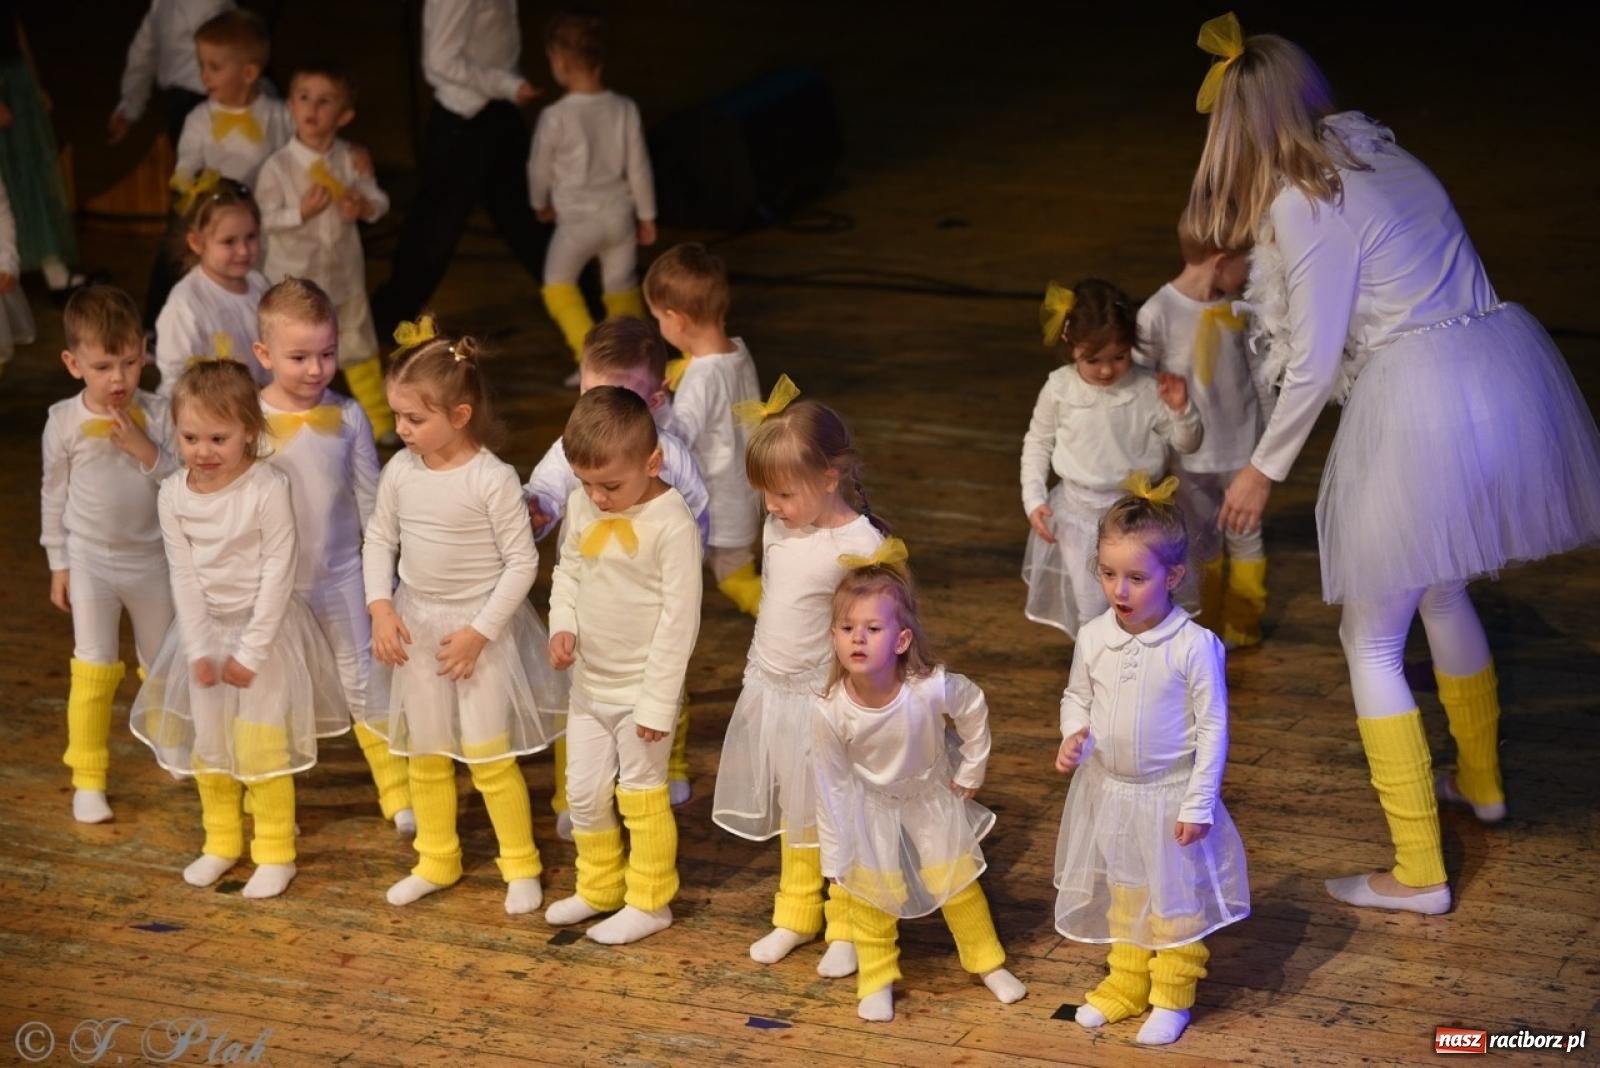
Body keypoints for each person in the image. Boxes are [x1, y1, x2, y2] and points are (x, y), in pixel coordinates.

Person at [1184, 13, 1600, 913]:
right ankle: (1481, 786)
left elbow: (1316, 357)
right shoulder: (1386, 157)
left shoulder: (1305, 204)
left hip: (1422, 398)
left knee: (1370, 636)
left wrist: (1263, 468)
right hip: (1499, 375)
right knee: (1444, 588)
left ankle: (1418, 871)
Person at [362, 325, 564, 913]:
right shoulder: (401, 470)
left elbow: (522, 563)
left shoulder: (492, 479)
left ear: (460, 413)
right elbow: (380, 538)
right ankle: (436, 858)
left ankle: (520, 864)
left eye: (413, 419)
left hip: (479, 633)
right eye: (397, 416)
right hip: (416, 622)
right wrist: (380, 606)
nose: (401, 429)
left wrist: (479, 633)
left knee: (488, 755)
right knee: (423, 752)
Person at [130, 359, 349, 899]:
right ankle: (221, 842)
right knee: (210, 746)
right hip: (204, 634)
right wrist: (201, 647)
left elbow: (279, 571)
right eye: (190, 437)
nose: (203, 450)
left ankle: (276, 851)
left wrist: (251, 650)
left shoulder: (267, 487)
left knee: (261, 747)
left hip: (267, 638)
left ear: (250, 431)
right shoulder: (173, 496)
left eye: (218, 437)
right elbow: (183, 574)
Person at [1053, 487, 1250, 1046]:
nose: (1119, 589)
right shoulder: (1093, 637)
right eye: (1108, 573)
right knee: (1127, 893)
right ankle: (1124, 986)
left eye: (1136, 577)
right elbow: (1076, 697)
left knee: (1175, 902)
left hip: (1169, 795)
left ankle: (1172, 996)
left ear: (1172, 575)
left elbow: (1213, 728)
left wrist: (1199, 802)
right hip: (1110, 793)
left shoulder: (1194, 645)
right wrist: (1074, 735)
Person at [712, 385, 885, 972]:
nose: (772, 507)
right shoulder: (780, 526)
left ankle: (847, 922)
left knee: (838, 810)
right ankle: (795, 913)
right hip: (774, 689)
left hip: (825, 698)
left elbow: (877, 627)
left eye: (784, 493)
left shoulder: (861, 544)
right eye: (766, 494)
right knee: (797, 809)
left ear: (830, 477)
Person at [813, 554, 1026, 1022]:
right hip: (871, 805)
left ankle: (987, 964)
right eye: (848, 628)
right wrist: (835, 856)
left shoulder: (927, 688)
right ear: (833, 637)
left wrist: (972, 768)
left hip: (929, 796)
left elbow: (972, 706)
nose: (858, 639)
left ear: (902, 639)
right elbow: (830, 787)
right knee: (874, 892)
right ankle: (877, 979)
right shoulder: (831, 710)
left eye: (872, 628)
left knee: (956, 880)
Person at [521, 317, 707, 838]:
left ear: (652, 398)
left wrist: (680, 556)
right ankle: (574, 796)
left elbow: (696, 510)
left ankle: (665, 767)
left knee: (668, 686)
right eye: (589, 392)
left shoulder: (670, 456)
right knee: (579, 700)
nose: (599, 409)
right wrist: (536, 509)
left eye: (618, 395)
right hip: (595, 601)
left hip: (646, 603)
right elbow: (549, 490)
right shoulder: (571, 447)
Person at [252, 278, 413, 834]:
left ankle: (398, 792)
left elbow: (373, 503)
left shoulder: (348, 416)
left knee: (365, 682)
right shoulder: (248, 421)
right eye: (299, 357)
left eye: (326, 353)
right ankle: (268, 800)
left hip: (343, 572)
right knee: (273, 693)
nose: (316, 369)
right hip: (275, 584)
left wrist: (381, 586)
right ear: (265, 354)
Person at [544, 386, 702, 945]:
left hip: (641, 692)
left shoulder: (672, 522)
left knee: (640, 795)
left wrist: (658, 702)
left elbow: (679, 621)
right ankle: (600, 885)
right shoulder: (584, 503)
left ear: (652, 462)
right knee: (583, 792)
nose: (598, 496)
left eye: (610, 485)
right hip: (589, 684)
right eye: (586, 483)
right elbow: (567, 570)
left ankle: (650, 899)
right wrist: (562, 623)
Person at [42, 286, 176, 823]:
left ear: (145, 352)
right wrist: (59, 562)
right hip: (92, 560)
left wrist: (146, 449)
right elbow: (53, 493)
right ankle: (89, 778)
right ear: (74, 364)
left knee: (162, 663)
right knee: (93, 669)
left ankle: (171, 744)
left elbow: (181, 482)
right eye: (102, 366)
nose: (118, 378)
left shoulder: (160, 414)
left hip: (153, 562)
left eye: (128, 362)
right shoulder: (63, 421)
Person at [1021, 278, 1201, 638]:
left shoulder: (1148, 389)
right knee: (1092, 606)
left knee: (1140, 600)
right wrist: (1034, 498)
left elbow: (1187, 443)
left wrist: (1182, 410)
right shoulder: (1060, 388)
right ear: (1070, 345)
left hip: (1136, 517)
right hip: (1078, 515)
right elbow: (1038, 442)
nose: (1106, 370)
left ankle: (1139, 672)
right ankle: (1095, 680)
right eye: (1093, 360)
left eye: (1118, 358)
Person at [368, 0, 546, 344]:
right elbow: (439, 61)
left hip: (497, 113)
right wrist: (506, 85)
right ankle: (390, 319)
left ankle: (587, 308)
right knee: (435, 229)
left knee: (528, 219)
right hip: (463, 121)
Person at [1135, 217, 1264, 645]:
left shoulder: (1243, 306)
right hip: (1189, 454)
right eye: (1248, 262)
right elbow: (1142, 384)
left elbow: (1262, 375)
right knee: (1200, 538)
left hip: (1243, 447)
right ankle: (1205, 622)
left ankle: (1244, 627)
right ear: (1222, 262)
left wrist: (1269, 444)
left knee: (1246, 536)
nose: (1252, 271)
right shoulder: (1157, 312)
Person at [255, 63, 395, 440]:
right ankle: (285, 412)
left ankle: (380, 420)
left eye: (324, 101)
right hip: (296, 279)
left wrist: (363, 207)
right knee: (295, 343)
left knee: (358, 339)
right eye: (304, 98)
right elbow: (263, 216)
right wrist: (299, 212)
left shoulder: (351, 159)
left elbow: (378, 199)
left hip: (344, 274)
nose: (312, 108)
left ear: (344, 115)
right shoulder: (278, 166)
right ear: (290, 107)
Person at [529, 10, 656, 372]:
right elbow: (639, 168)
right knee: (621, 291)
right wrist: (647, 214)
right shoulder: (624, 108)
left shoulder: (556, 116)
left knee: (557, 284)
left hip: (577, 224)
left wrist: (539, 203)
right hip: (619, 218)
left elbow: (539, 167)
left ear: (560, 61)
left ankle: (595, 363)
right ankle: (636, 367)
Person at [644, 242, 763, 613]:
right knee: (732, 570)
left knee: (727, 576)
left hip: (717, 502)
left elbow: (679, 438)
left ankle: (794, 627)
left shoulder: (702, 377)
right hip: (743, 493)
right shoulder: (737, 352)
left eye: (658, 320)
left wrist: (655, 413)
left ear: (676, 319)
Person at [154, 176, 271, 394]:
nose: (244, 250)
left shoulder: (259, 284)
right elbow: (176, 378)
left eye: (251, 237)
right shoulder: (186, 304)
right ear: (197, 243)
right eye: (229, 241)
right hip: (209, 410)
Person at [109, 0, 235, 149]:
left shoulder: (161, 5)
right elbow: (229, 45)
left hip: (179, 108)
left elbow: (141, 57)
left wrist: (129, 107)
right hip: (212, 101)